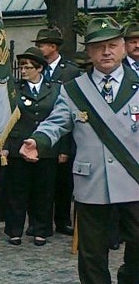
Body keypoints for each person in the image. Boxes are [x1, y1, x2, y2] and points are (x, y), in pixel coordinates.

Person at [21, 18, 139, 284]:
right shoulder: (75, 90)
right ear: (89, 52)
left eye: (112, 45)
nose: (106, 53)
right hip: (92, 178)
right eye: (98, 47)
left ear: (124, 48)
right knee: (91, 250)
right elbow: (57, 121)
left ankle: (128, 280)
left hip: (134, 177)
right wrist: (38, 139)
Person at [2, 47, 61, 246]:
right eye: (21, 66)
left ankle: (41, 229)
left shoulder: (55, 89)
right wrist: (5, 145)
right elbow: (5, 119)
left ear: (39, 69)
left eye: (28, 67)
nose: (24, 70)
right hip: (19, 147)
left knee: (43, 192)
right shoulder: (15, 89)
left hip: (46, 149)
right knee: (17, 192)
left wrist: (63, 150)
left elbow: (63, 120)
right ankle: (14, 230)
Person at [34, 26, 81, 236]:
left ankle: (62, 221)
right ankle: (40, 223)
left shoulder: (70, 71)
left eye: (41, 44)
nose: (39, 48)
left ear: (53, 47)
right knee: (42, 185)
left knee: (63, 184)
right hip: (40, 135)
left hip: (63, 136)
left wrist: (64, 147)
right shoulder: (38, 68)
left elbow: (72, 111)